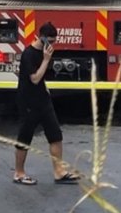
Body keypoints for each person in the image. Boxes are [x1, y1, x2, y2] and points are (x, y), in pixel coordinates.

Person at [13, 22, 78, 185]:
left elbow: (42, 78)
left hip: (43, 98)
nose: (52, 45)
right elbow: (34, 78)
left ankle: (59, 171)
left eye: (54, 41)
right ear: (41, 38)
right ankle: (19, 173)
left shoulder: (45, 51)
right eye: (50, 41)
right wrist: (46, 59)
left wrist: (46, 88)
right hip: (28, 100)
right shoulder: (28, 54)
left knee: (55, 134)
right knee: (24, 137)